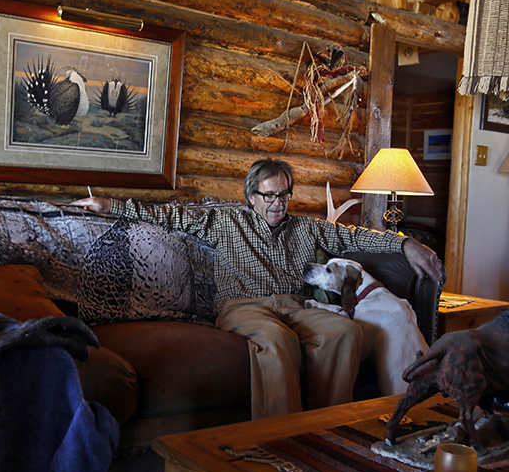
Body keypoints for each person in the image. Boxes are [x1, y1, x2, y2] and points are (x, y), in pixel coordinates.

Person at [70, 158, 443, 419]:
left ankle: (327, 431)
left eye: (283, 195)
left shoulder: (307, 227)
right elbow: (167, 215)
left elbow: (352, 236)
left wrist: (406, 244)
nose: (278, 204)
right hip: (244, 306)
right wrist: (109, 205)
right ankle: (280, 441)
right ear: (251, 197)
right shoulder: (224, 221)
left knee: (345, 331)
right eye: (269, 196)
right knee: (277, 340)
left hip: (298, 306)